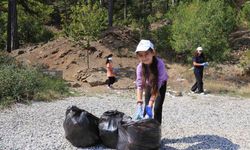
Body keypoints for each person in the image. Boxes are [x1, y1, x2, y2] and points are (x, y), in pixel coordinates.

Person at [134, 39, 168, 124]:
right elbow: (139, 85)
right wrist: (139, 102)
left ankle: (156, 131)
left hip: (160, 85)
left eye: (146, 54)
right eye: (141, 55)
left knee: (157, 108)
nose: (144, 58)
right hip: (148, 85)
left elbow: (158, 84)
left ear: (153, 52)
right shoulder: (140, 67)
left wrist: (151, 102)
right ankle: (145, 130)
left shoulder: (160, 64)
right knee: (146, 107)